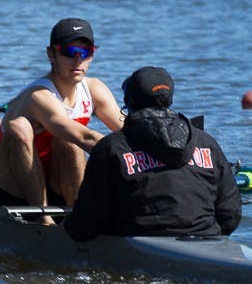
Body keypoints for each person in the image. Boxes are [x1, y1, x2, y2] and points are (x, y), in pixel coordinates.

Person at [64, 66, 242, 241]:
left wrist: (66, 228)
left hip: (137, 243)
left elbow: (87, 223)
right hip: (206, 238)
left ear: (129, 103)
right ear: (169, 101)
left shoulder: (111, 147)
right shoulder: (206, 142)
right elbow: (230, 214)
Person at [0, 18, 123, 223]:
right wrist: (125, 157)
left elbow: (130, 129)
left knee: (69, 142)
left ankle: (79, 217)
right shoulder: (39, 95)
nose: (78, 60)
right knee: (24, 127)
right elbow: (84, 137)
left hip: (56, 183)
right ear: (51, 54)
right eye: (69, 52)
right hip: (14, 191)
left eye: (86, 52)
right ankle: (46, 220)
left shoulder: (94, 88)